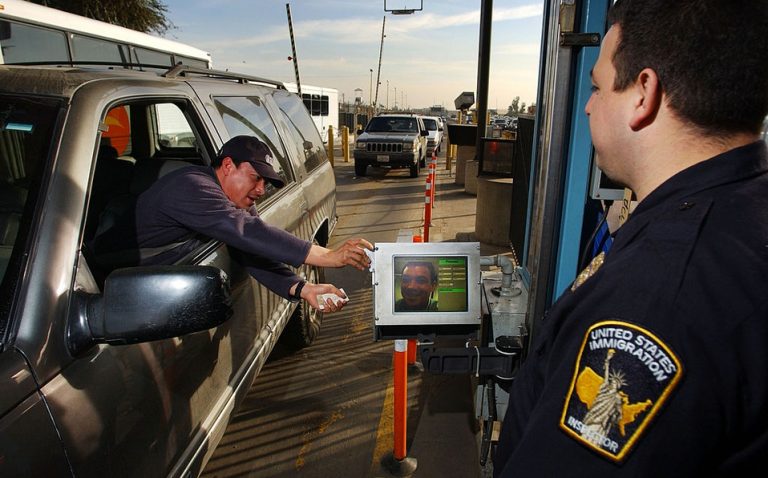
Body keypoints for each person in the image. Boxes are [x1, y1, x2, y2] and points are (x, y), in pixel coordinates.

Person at [493, 0, 768, 476]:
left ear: (643, 94)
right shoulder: (744, 212)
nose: (587, 105)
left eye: (597, 86)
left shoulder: (658, 297)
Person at [105, 135, 372, 312]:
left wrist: (303, 288)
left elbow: (252, 249)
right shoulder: (192, 187)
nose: (261, 189)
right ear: (229, 165)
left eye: (265, 183)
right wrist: (328, 256)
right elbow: (248, 232)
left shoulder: (233, 199)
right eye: (255, 177)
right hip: (106, 282)